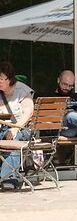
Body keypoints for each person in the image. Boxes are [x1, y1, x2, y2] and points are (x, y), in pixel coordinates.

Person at [0, 62, 34, 190]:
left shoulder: (22, 90)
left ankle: (9, 177)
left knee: (13, 138)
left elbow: (28, 113)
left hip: (23, 129)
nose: (0, 81)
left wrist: (15, 128)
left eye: (2, 79)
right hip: (3, 127)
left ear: (10, 79)